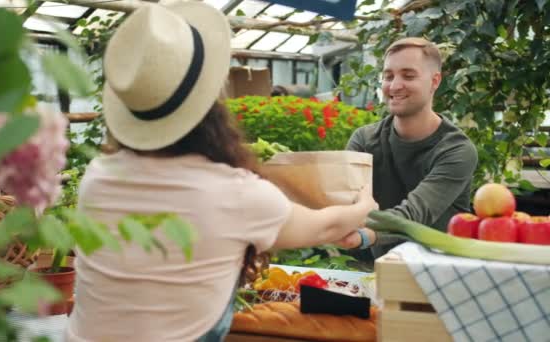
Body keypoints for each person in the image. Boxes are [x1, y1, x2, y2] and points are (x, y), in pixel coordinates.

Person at [65, 2, 378, 341]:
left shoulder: (98, 177)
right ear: (211, 103)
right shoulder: (234, 193)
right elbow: (325, 226)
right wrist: (364, 208)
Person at [340, 37, 478, 257]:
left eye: (408, 75)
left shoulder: (456, 150)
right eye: (388, 76)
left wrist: (362, 235)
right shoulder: (365, 140)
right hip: (383, 273)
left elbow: (414, 213)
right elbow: (344, 196)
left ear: (434, 81)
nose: (394, 86)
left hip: (445, 276)